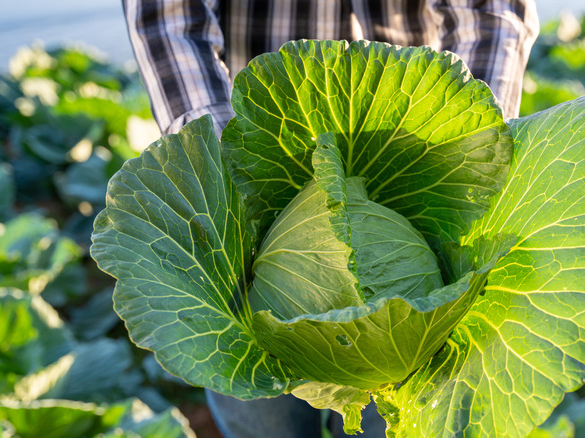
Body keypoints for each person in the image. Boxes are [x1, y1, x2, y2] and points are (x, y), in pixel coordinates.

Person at [122, 1, 539, 436]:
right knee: (262, 421)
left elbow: (492, 13)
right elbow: (166, 17)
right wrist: (217, 160)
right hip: (256, 146)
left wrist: (468, 136)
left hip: (406, 136)